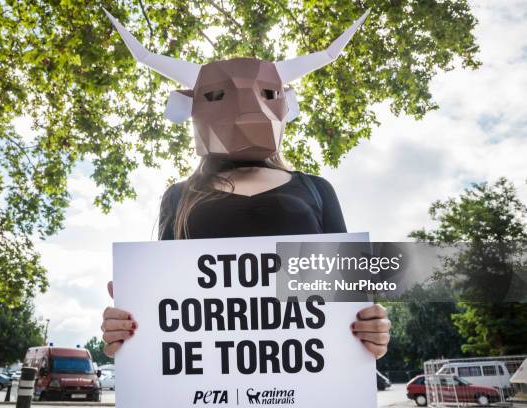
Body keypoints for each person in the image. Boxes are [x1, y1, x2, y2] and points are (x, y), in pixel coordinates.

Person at [100, 9, 390, 362]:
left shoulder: (317, 190)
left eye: (267, 94)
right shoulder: (179, 198)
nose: (248, 111)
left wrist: (372, 330)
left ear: (285, 105)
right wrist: (129, 327)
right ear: (187, 109)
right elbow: (165, 304)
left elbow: (348, 303)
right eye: (216, 97)